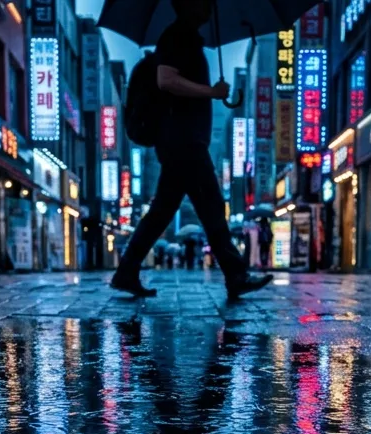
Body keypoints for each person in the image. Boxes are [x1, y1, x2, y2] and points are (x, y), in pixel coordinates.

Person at [109, 0, 271, 300]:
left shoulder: (187, 38)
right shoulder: (176, 36)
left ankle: (126, 272)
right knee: (210, 209)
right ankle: (236, 276)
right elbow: (166, 80)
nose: (208, 7)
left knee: (165, 212)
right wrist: (211, 92)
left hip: (183, 141)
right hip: (183, 141)